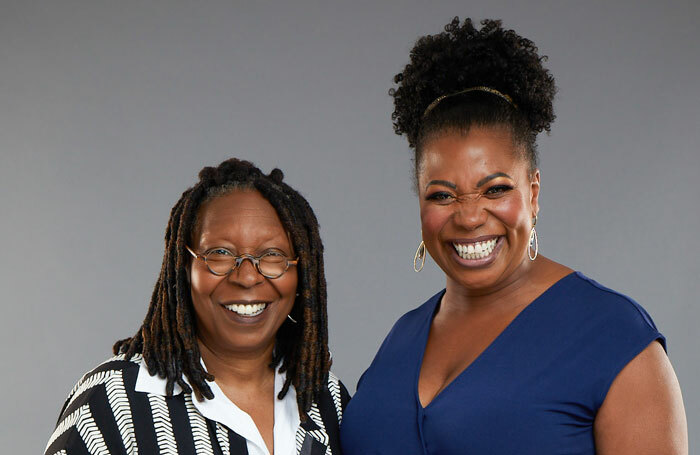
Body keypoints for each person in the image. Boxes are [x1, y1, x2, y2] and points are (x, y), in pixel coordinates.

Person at [340, 18, 687, 454]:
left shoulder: (612, 337)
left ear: (533, 193)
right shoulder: (401, 339)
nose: (468, 218)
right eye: (442, 195)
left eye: (496, 189)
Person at [45, 158, 349, 455]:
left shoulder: (326, 398)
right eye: (220, 253)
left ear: (302, 273)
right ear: (183, 266)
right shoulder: (113, 400)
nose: (246, 277)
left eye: (272, 255)